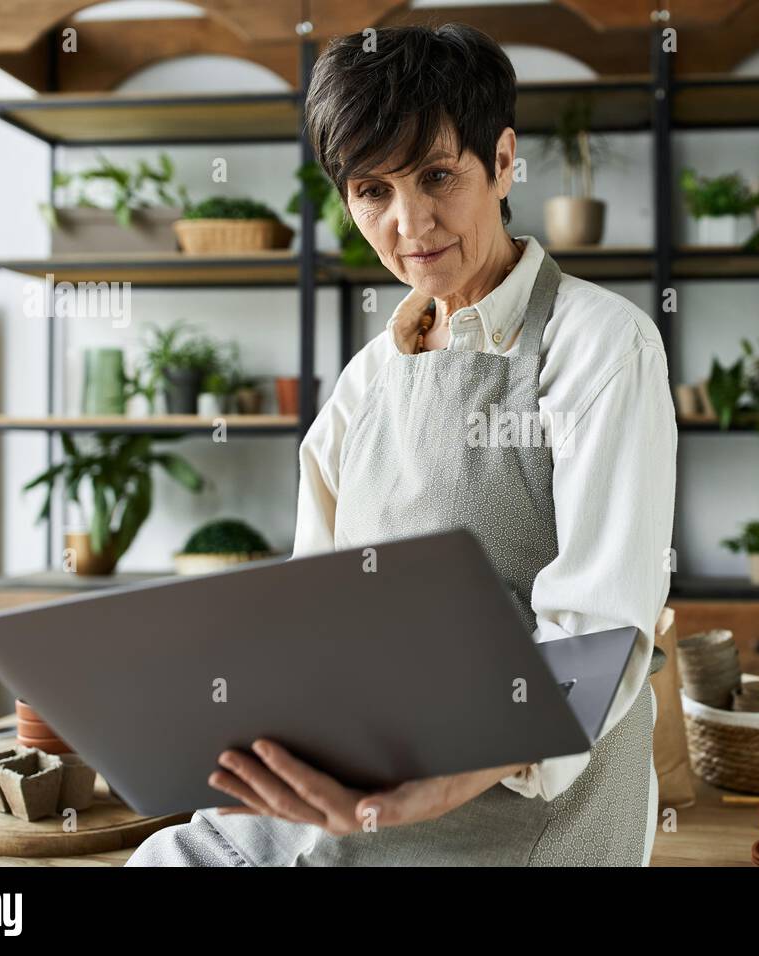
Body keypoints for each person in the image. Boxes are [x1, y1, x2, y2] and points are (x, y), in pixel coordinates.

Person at [127, 21, 676, 867]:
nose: (408, 223)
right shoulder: (361, 386)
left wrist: (441, 775)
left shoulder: (602, 346)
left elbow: (596, 638)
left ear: (502, 162)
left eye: (437, 175)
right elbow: (316, 629)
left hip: (527, 804)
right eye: (371, 190)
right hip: (370, 780)